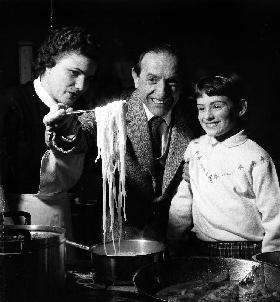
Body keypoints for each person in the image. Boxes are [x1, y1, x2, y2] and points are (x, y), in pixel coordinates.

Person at [41, 43, 195, 241]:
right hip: (120, 238)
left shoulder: (196, 115)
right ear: (136, 78)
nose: (162, 91)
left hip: (176, 239)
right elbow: (81, 133)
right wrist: (64, 130)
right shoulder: (112, 110)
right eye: (152, 79)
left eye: (172, 82)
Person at [167, 73, 280, 259]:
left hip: (247, 250)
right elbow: (183, 200)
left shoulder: (257, 157)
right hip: (200, 248)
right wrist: (173, 240)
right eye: (201, 108)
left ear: (241, 108)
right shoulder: (195, 149)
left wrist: (272, 257)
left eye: (217, 106)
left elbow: (274, 214)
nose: (208, 116)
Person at [0, 26, 99, 237]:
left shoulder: (80, 109)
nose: (81, 86)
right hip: (18, 222)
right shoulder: (10, 103)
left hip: (63, 217)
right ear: (48, 63)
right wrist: (6, 228)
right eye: (74, 73)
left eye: (88, 78)